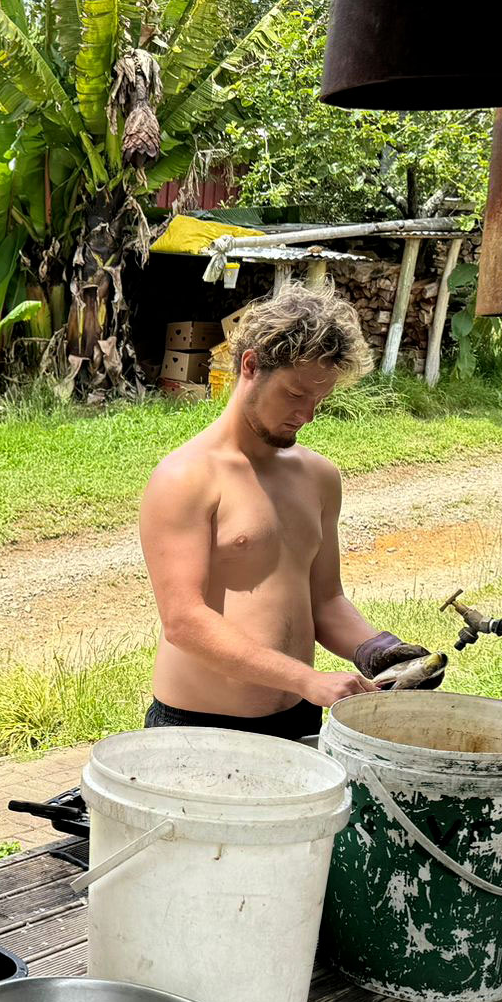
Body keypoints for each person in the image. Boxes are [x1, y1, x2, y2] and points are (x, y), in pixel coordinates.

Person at [139, 286, 441, 741]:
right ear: (251, 366)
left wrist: (379, 651)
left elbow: (325, 600)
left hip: (300, 719)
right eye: (295, 394)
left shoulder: (318, 476)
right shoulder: (185, 478)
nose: (306, 415)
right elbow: (185, 622)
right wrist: (308, 679)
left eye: (318, 401)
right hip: (201, 729)